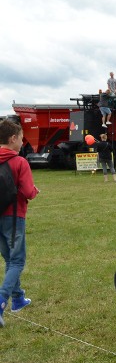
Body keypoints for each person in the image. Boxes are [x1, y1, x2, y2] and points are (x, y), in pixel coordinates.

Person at [0, 120, 39, 327]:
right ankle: (1, 301)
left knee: (8, 259)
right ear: (12, 138)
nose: (23, 141)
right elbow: (27, 192)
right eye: (22, 137)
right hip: (14, 216)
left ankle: (18, 299)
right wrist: (35, 191)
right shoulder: (20, 162)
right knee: (16, 261)